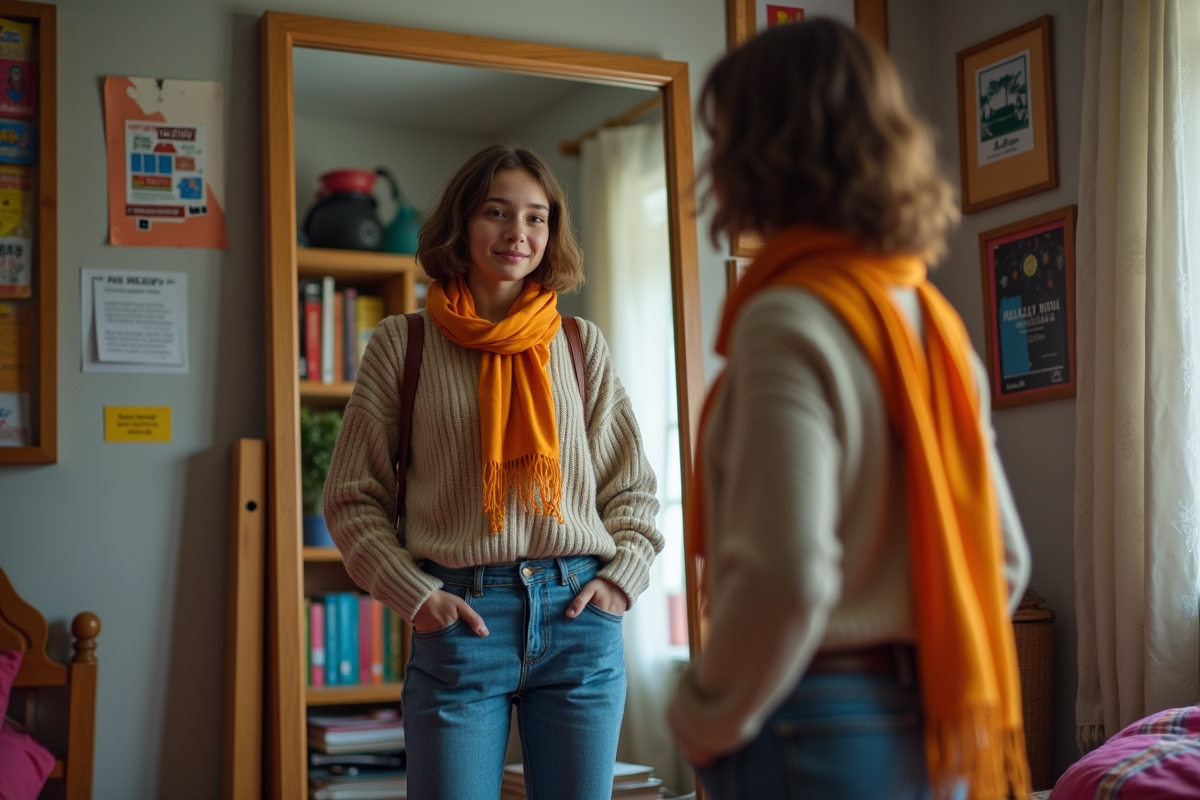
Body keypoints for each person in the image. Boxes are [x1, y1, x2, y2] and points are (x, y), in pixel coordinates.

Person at [666, 19, 1033, 800]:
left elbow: (787, 575)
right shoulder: (931, 321)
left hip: (811, 718)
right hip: (936, 716)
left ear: (760, 150)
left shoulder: (787, 317)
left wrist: (703, 713)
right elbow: (1003, 557)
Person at [323, 144, 663, 800]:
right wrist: (417, 598)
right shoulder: (404, 342)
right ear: (461, 223)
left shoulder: (578, 343)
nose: (519, 233)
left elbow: (632, 488)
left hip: (578, 618)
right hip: (462, 619)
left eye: (537, 218)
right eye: (497, 213)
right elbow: (352, 496)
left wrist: (621, 585)